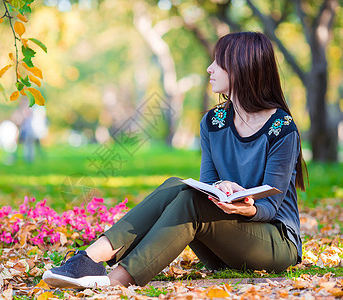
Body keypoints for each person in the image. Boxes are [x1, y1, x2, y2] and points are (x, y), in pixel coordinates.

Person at [43, 31, 307, 289]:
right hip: (223, 246)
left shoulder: (282, 128)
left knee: (190, 200)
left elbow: (271, 206)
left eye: (218, 62)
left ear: (242, 67)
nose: (209, 68)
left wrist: (247, 208)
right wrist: (222, 189)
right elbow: (208, 185)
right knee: (177, 186)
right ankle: (89, 258)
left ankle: (115, 281)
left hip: (275, 244)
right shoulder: (214, 122)